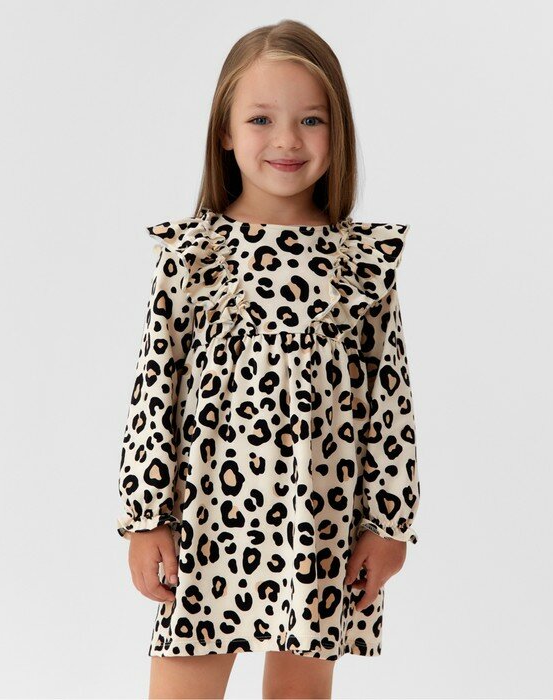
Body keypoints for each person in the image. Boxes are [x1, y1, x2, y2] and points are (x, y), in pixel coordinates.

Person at [116, 18, 421, 699]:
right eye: (261, 119)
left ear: (338, 132)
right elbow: (153, 388)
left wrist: (389, 524)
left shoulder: (360, 264)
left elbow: (391, 401)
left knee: (300, 691)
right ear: (225, 132)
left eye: (311, 120)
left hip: (322, 516)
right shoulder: (194, 255)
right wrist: (145, 517)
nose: (287, 140)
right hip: (206, 516)